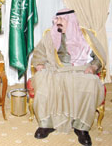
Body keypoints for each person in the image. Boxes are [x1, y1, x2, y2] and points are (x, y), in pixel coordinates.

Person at [31, 9, 105, 146]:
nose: (57, 22)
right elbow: (39, 52)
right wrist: (39, 64)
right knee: (42, 81)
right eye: (56, 19)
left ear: (71, 20)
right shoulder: (50, 35)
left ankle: (81, 127)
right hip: (55, 68)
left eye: (61, 20)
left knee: (91, 83)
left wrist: (93, 67)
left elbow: (98, 57)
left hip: (80, 69)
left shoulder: (85, 35)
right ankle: (46, 124)